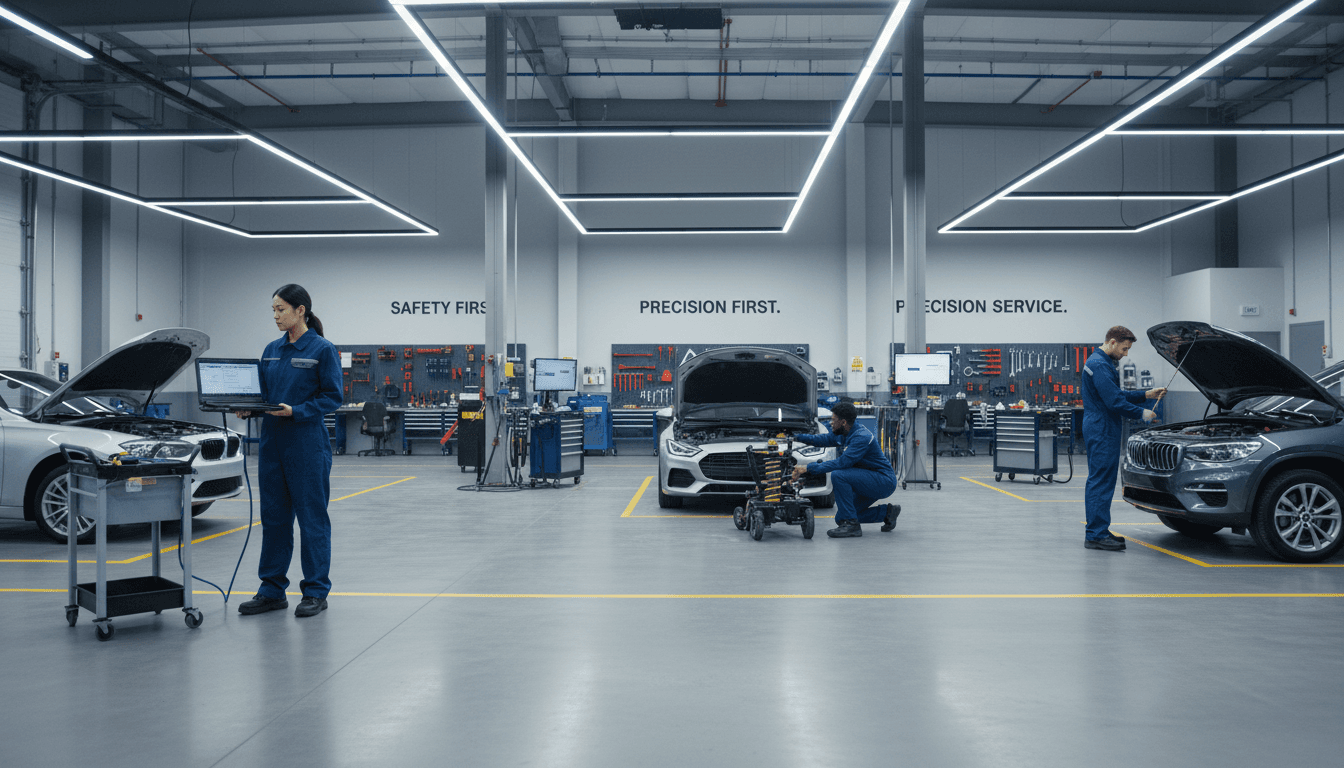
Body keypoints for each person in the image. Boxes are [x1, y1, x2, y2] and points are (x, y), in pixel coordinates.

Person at [235, 284, 343, 616]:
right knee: (274, 519)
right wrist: (248, 408)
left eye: (281, 309)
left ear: (301, 310)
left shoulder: (322, 350)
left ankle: (315, 591)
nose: (276, 316)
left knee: (312, 519)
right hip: (272, 445)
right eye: (273, 310)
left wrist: (296, 411)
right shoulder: (271, 350)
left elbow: (332, 397)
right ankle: (271, 590)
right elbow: (264, 395)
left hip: (306, 444)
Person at [1080, 326, 1166, 552]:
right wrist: (1142, 413)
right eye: (1124, 349)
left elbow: (1115, 395)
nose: (1126, 354)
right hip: (1102, 427)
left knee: (1103, 480)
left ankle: (1099, 529)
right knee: (1101, 481)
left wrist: (1146, 395)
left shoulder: (1102, 362)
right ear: (1111, 342)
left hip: (1102, 425)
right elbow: (1115, 403)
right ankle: (1096, 535)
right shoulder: (1099, 365)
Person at [790, 401, 900, 538]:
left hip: (883, 480)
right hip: (869, 479)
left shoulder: (861, 437)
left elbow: (842, 463)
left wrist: (808, 467)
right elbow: (823, 439)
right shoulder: (845, 433)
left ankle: (851, 526)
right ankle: (887, 512)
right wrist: (796, 437)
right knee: (842, 516)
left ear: (843, 422)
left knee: (839, 475)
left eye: (833, 420)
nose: (831, 423)